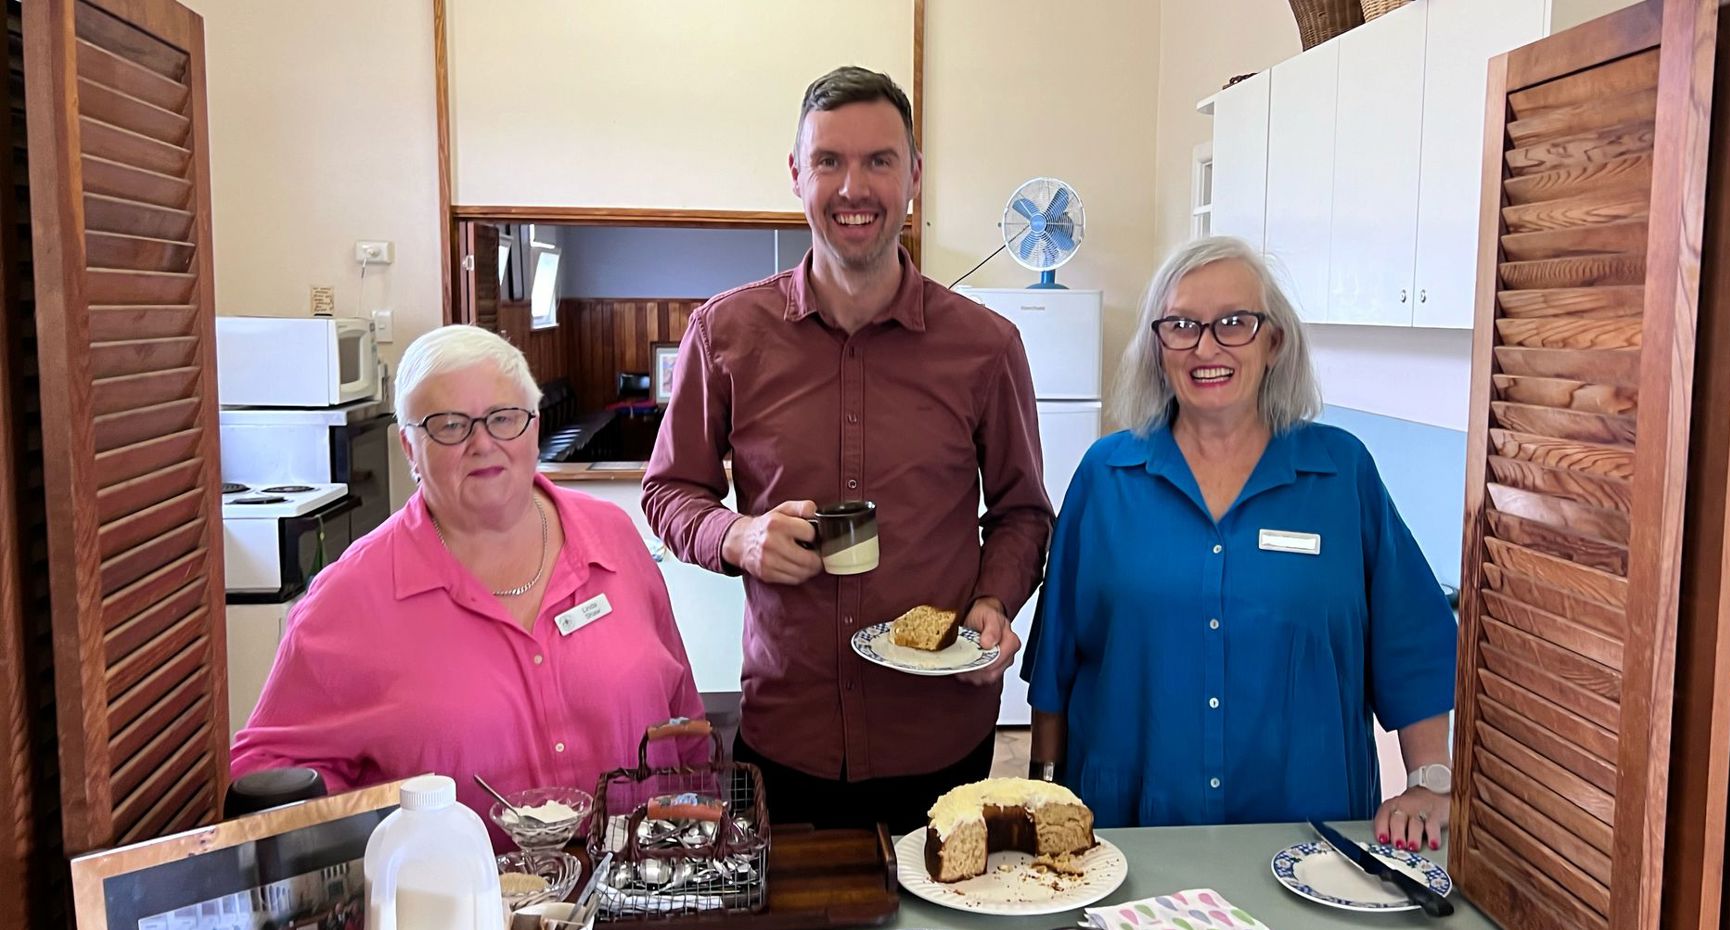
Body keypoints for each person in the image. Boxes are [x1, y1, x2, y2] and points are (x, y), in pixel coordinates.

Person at [642, 66, 1054, 833]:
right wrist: (738, 535)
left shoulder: (986, 346)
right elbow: (670, 492)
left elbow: (1024, 512)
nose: (853, 186)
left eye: (879, 161)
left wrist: (995, 602)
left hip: (938, 731)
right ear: (797, 174)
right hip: (788, 733)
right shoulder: (725, 334)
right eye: (828, 160)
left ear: (914, 178)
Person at [1023, 237, 1457, 852]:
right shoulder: (1105, 476)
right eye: (1181, 326)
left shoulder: (1342, 474)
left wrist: (1430, 781)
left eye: (1234, 323)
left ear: (1273, 341)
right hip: (1131, 831)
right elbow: (1056, 661)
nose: (1207, 346)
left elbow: (1412, 639)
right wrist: (1043, 789)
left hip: (1308, 834)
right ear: (1158, 346)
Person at [232, 326, 706, 824]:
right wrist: (378, 838)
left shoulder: (612, 538)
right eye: (450, 425)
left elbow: (684, 719)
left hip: (649, 885)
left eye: (503, 419)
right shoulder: (349, 598)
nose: (483, 443)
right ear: (409, 448)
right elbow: (269, 773)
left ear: (534, 425)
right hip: (462, 898)